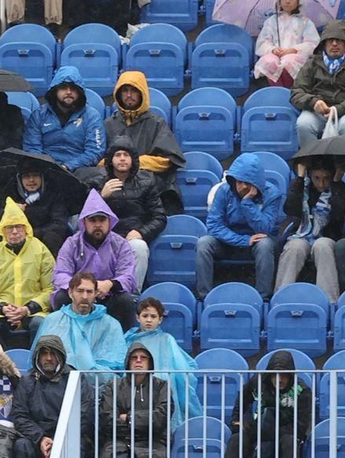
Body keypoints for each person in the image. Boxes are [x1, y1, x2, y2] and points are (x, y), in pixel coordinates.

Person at [221, 348, 314, 458]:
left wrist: (278, 428)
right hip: (257, 430)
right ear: (269, 374)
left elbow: (302, 425)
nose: (279, 380)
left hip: (284, 433)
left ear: (290, 376)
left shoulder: (302, 390)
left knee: (290, 442)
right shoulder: (257, 382)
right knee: (235, 441)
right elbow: (242, 399)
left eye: (284, 376)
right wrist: (236, 422)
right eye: (275, 375)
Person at [88, 338, 172, 458]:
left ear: (150, 363)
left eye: (143, 357)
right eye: (134, 358)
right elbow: (107, 420)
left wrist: (129, 418)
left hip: (152, 442)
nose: (139, 361)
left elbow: (160, 419)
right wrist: (142, 421)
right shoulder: (114, 386)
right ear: (127, 361)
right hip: (118, 442)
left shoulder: (162, 386)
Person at [198, 154, 285, 298]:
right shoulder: (223, 191)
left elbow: (265, 229)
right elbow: (213, 225)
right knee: (204, 243)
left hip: (257, 243)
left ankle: (262, 298)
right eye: (240, 181)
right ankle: (204, 297)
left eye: (248, 182)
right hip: (228, 242)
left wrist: (247, 203)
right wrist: (243, 240)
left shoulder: (272, 194)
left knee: (265, 244)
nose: (243, 186)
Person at [53, 190, 139, 329]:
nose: (98, 224)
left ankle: (122, 343)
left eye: (102, 220)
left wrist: (110, 284)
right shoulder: (71, 243)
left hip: (108, 295)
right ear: (84, 223)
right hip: (80, 295)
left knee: (126, 300)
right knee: (61, 297)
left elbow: (128, 277)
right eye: (93, 220)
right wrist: (82, 287)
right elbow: (59, 274)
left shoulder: (120, 244)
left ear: (109, 222)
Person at [0, 201, 53, 346]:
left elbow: (50, 289)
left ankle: (35, 365)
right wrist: (3, 308)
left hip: (33, 311)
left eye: (19, 226)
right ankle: (2, 366)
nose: (15, 231)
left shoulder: (41, 250)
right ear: (2, 230)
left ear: (26, 228)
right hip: (2, 312)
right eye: (10, 227)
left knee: (41, 324)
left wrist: (28, 308)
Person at [12, 334, 75, 458]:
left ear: (60, 355)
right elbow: (20, 415)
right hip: (37, 436)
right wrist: (40, 438)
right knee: (21, 446)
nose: (48, 358)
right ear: (37, 356)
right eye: (44, 353)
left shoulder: (75, 378)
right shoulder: (27, 382)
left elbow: (84, 414)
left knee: (79, 449)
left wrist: (60, 439)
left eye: (52, 353)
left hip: (68, 436)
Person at [88, 142, 165, 281]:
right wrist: (101, 196)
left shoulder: (146, 182)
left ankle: (132, 295)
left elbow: (159, 217)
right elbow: (85, 217)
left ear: (133, 160)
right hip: (105, 237)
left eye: (126, 155)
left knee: (139, 247)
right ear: (111, 160)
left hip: (133, 236)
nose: (122, 158)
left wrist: (141, 232)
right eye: (118, 155)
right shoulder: (97, 183)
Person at [103, 73, 186, 184]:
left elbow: (168, 160)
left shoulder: (156, 123)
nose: (129, 95)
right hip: (115, 184)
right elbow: (98, 161)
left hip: (147, 185)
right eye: (125, 91)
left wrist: (133, 163)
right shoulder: (108, 124)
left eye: (134, 90)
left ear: (142, 93)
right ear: (118, 94)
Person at [23, 66, 105, 171]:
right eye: (63, 88)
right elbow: (32, 148)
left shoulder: (92, 116)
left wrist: (68, 167)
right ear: (55, 91)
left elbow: (94, 151)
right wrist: (48, 167)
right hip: (45, 171)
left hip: (80, 171)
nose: (69, 92)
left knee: (98, 180)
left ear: (80, 92)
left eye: (73, 88)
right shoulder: (38, 115)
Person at [284, 160, 345, 300]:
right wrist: (299, 178)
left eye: (326, 178)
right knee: (294, 247)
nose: (321, 184)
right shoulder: (302, 187)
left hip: (328, 237)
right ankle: (282, 297)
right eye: (317, 178)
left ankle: (329, 301)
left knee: (322, 245)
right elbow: (290, 209)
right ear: (310, 174)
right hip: (301, 235)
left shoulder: (339, 188)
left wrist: (336, 184)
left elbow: (338, 215)